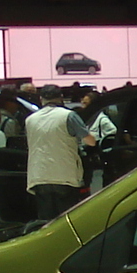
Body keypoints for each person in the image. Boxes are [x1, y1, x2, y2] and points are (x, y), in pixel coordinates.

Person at [24, 85, 92, 219]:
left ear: (41, 99)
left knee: (46, 221)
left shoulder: (30, 119)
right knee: (66, 219)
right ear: (61, 98)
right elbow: (90, 141)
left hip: (39, 176)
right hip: (65, 176)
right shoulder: (68, 116)